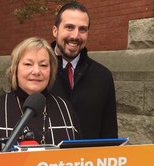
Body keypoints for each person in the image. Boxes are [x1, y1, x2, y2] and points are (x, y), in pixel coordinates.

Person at [0, 37, 82, 152]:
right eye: (28, 64)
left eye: (43, 65)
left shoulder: (65, 109)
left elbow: (79, 159)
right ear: (15, 69)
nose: (36, 71)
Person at [50, 2, 118, 139]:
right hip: (46, 160)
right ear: (55, 31)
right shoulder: (34, 74)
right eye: (69, 27)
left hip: (88, 160)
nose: (75, 36)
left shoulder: (103, 77)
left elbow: (109, 134)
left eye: (82, 29)